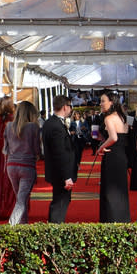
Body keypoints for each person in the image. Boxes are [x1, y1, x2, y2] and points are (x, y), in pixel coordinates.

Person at [5, 100, 42, 225]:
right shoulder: (33, 127)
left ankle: (22, 225)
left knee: (20, 199)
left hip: (11, 165)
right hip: (27, 165)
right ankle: (12, 225)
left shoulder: (9, 126)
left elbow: (6, 148)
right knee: (21, 200)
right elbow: (37, 149)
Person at [95, 92, 131, 222]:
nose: (100, 104)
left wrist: (100, 147)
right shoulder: (123, 118)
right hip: (121, 156)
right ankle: (122, 219)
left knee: (110, 190)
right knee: (120, 190)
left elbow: (113, 138)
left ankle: (111, 219)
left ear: (111, 102)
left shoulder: (109, 118)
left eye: (103, 101)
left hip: (111, 156)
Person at [42, 94, 76, 224]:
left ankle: (54, 227)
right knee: (60, 202)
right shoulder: (56, 126)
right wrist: (67, 177)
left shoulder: (51, 123)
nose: (71, 109)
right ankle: (55, 228)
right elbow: (59, 153)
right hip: (60, 172)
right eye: (70, 106)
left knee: (60, 200)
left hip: (56, 171)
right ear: (65, 107)